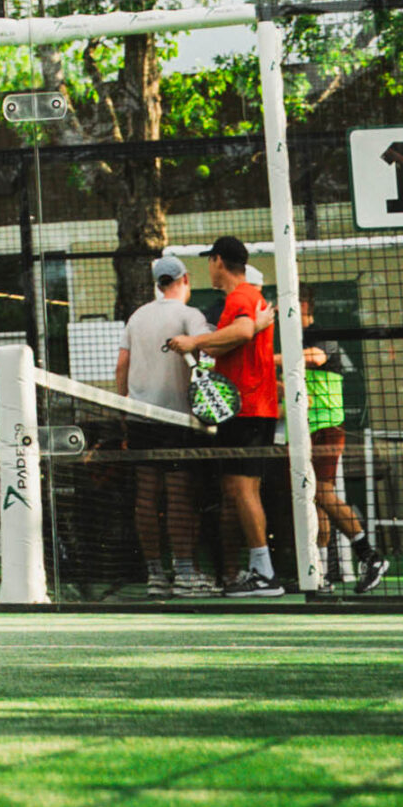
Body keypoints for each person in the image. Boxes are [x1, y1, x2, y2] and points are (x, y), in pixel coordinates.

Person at [171, 235, 281, 598]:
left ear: (219, 261)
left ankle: (264, 573)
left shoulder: (240, 297)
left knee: (241, 489)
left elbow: (243, 330)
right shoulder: (250, 299)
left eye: (210, 260)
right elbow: (239, 336)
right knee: (241, 489)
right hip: (251, 408)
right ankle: (260, 570)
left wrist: (192, 343)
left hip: (247, 408)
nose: (208, 267)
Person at [114, 255, 214, 597]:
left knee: (146, 494)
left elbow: (122, 366)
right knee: (179, 495)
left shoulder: (137, 317)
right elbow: (208, 353)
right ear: (185, 278)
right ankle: (185, 574)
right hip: (178, 419)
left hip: (141, 418)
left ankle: (155, 576)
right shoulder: (190, 315)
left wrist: (125, 407)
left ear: (158, 283)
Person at [299, 294, 386, 595]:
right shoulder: (293, 338)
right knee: (315, 499)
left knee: (322, 493)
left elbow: (316, 358)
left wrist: (271, 360)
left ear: (304, 304)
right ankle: (320, 573)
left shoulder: (322, 335)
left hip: (327, 427)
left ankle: (369, 556)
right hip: (304, 430)